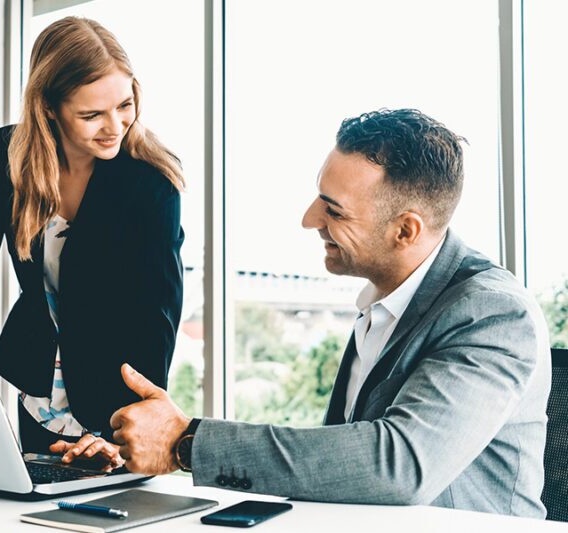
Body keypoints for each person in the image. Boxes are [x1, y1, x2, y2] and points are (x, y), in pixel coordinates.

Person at [109, 109, 551, 518]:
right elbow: (346, 465)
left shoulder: (493, 313)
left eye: (333, 209)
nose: (308, 219)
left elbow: (398, 464)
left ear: (405, 229)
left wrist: (188, 442)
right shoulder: (384, 303)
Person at [0, 16, 184, 467]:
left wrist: (137, 419)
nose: (115, 126)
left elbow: (156, 308)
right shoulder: (9, 156)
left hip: (116, 394)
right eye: (91, 114)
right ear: (48, 108)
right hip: (40, 383)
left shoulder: (150, 183)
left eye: (125, 104)